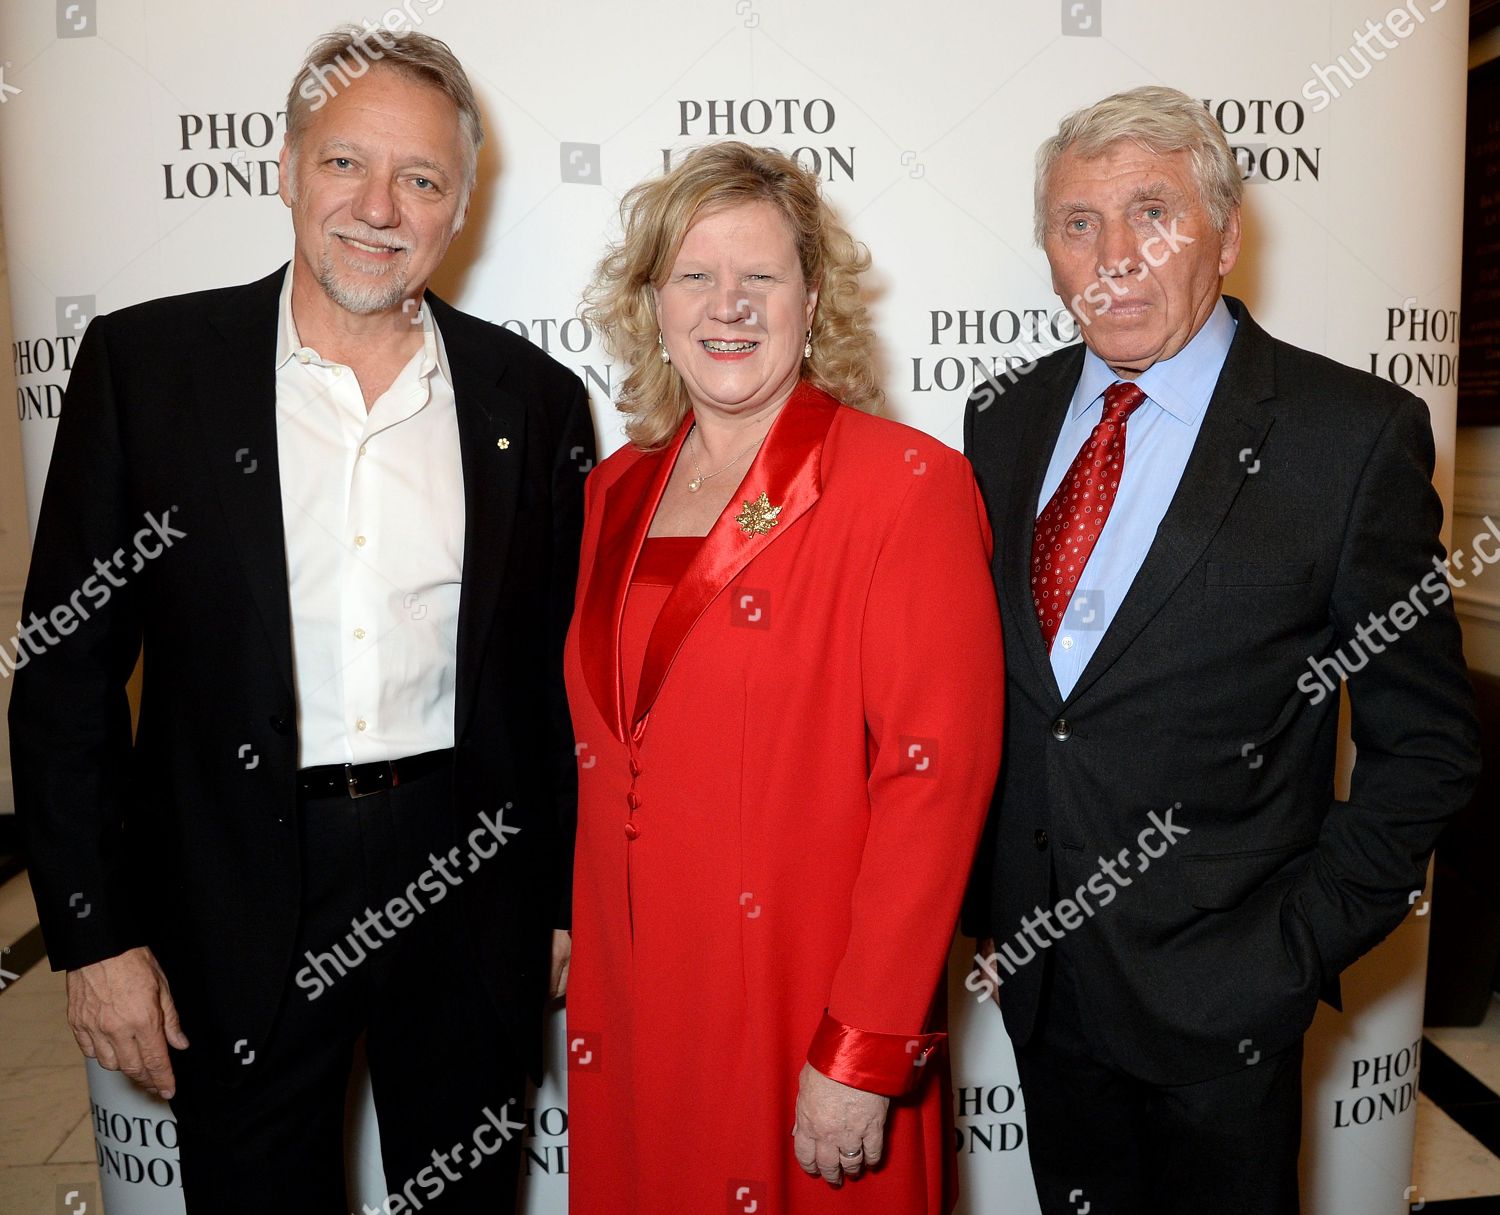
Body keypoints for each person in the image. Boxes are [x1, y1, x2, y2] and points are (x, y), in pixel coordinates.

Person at [8, 27, 594, 1212]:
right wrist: (91, 935)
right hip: (231, 890)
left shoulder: (529, 398)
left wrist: (564, 900)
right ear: (285, 167)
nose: (379, 207)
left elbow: (553, 677)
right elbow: (68, 673)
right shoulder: (148, 368)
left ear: (460, 207)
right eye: (346, 164)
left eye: (421, 180)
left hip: (467, 876)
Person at [961, 84, 1480, 1215]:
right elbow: (1020, 705)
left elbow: (1429, 745)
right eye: (1077, 223)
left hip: (1223, 1013)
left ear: (1228, 235)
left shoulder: (1347, 439)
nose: (1114, 257)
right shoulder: (1002, 421)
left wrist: (1290, 951)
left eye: (1155, 213)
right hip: (1046, 989)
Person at [565, 141, 1004, 1213]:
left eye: (761, 277)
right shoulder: (615, 490)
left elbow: (933, 784)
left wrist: (861, 1047)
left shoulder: (905, 488)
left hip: (798, 1003)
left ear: (814, 301)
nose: (730, 305)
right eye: (695, 276)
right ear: (651, 303)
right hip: (634, 1008)